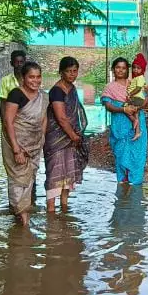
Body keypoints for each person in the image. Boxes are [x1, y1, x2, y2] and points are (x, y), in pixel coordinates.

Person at [2, 62, 47, 225]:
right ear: (23, 78)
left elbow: (43, 119)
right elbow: (9, 122)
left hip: (35, 146)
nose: (35, 81)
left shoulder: (43, 96)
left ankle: (22, 217)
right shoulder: (16, 94)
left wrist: (41, 139)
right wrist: (16, 150)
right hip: (17, 145)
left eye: (38, 77)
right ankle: (22, 217)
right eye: (31, 77)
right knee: (17, 181)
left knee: (29, 181)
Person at [43, 57, 88, 213]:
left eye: (75, 71)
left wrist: (75, 136)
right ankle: (50, 211)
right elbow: (61, 118)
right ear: (61, 72)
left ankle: (64, 207)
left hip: (71, 138)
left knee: (68, 173)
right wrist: (74, 136)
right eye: (68, 71)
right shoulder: (57, 91)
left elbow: (74, 114)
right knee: (54, 173)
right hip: (56, 139)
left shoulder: (72, 89)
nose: (72, 74)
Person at [101, 58, 148, 185]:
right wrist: (123, 109)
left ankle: (135, 180)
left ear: (127, 69)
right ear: (113, 70)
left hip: (137, 120)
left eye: (123, 68)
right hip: (120, 123)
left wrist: (136, 107)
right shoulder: (109, 87)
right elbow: (108, 106)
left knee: (136, 150)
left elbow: (144, 99)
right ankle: (122, 181)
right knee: (121, 150)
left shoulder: (133, 83)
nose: (120, 70)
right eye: (118, 67)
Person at [125, 53, 148, 141]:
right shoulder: (136, 78)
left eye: (138, 68)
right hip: (136, 98)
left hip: (137, 98)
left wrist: (130, 94)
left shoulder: (140, 77)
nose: (135, 70)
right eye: (134, 67)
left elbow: (138, 88)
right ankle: (137, 131)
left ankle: (134, 122)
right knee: (136, 114)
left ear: (142, 69)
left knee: (125, 108)